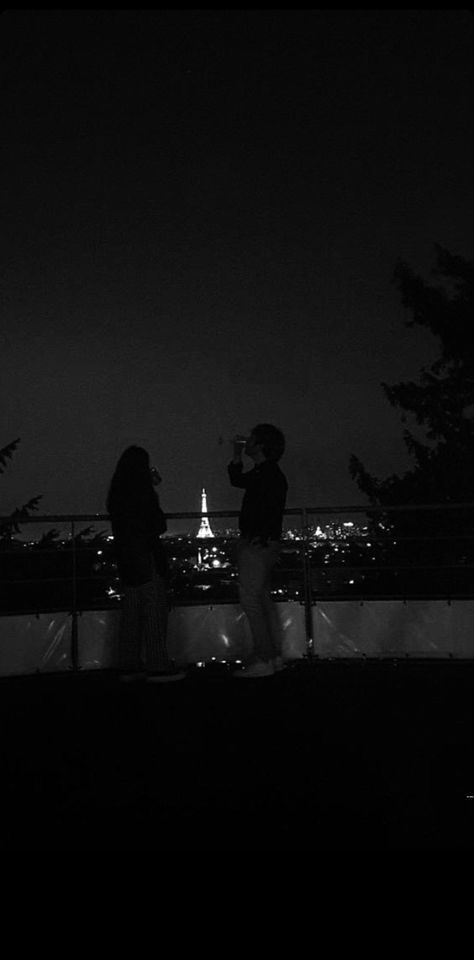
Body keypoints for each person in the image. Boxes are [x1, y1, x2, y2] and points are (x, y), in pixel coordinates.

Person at [106, 445, 185, 682]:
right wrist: (152, 489)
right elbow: (157, 524)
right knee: (154, 609)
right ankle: (157, 664)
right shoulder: (142, 492)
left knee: (132, 611)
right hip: (146, 555)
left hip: (126, 558)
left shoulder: (117, 493)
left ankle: (129, 665)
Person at [228, 424, 288, 678]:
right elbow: (238, 480)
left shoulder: (267, 474)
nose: (248, 441)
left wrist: (259, 537)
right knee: (262, 599)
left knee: (251, 599)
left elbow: (238, 482)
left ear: (261, 445)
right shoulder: (269, 472)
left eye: (252, 439)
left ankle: (264, 658)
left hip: (257, 544)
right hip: (264, 543)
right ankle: (273, 656)